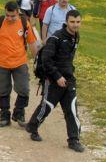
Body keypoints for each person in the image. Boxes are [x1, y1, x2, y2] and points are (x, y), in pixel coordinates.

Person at [26, 10, 85, 153]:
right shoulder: (56, 38)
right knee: (47, 107)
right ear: (66, 21)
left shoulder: (76, 36)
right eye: (72, 22)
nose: (75, 25)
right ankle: (33, 126)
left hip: (69, 80)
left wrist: (69, 73)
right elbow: (46, 60)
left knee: (72, 109)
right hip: (53, 80)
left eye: (78, 22)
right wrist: (57, 76)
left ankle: (74, 140)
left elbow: (68, 59)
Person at [0, 1, 39, 127]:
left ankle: (19, 112)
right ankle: (4, 116)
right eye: (7, 15)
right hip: (1, 63)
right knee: (3, 90)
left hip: (20, 62)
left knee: (24, 89)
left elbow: (32, 43)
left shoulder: (25, 23)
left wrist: (38, 61)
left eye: (12, 16)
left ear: (18, 13)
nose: (9, 18)